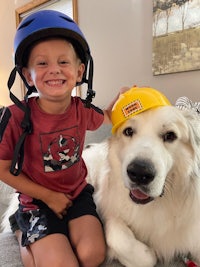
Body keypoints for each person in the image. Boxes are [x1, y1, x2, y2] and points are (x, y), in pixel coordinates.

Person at [0, 10, 126, 267]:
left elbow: (109, 116)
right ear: (27, 75)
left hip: (77, 194)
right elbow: (2, 168)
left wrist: (124, 98)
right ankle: (21, 228)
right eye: (42, 63)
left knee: (92, 256)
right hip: (37, 201)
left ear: (80, 71)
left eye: (63, 62)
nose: (54, 70)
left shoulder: (82, 110)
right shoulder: (14, 117)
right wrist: (48, 196)